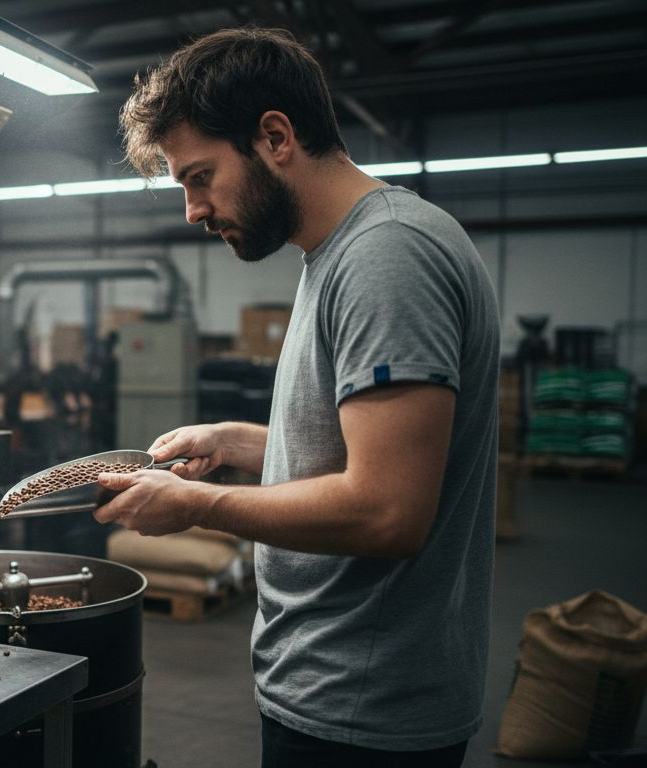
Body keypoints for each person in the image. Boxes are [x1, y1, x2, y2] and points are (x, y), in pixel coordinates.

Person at [96, 27, 499, 767]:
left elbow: (387, 511)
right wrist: (238, 440)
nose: (192, 209)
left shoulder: (387, 258)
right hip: (334, 684)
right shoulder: (338, 253)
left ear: (275, 137)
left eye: (199, 176)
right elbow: (357, 448)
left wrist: (196, 506)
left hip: (362, 707)